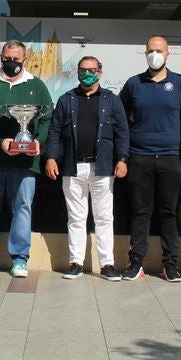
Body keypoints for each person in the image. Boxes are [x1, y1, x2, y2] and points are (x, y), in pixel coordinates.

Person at [0, 39, 53, 277]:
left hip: (25, 161)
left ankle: (19, 259)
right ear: (1, 58)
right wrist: (0, 142)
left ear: (24, 60)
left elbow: (47, 116)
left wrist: (38, 140)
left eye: (16, 59)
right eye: (7, 59)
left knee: (23, 207)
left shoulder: (36, 86)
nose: (11, 63)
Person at [44, 55, 129, 282]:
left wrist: (122, 159)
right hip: (73, 167)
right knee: (76, 217)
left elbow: (122, 132)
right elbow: (53, 131)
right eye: (83, 70)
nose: (87, 73)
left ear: (100, 72)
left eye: (92, 69)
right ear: (77, 72)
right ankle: (76, 263)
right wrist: (51, 157)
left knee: (104, 218)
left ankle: (107, 264)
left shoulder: (111, 100)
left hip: (102, 168)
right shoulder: (66, 99)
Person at [120, 35, 181, 282]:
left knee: (169, 213)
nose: (155, 54)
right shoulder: (133, 84)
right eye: (151, 50)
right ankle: (136, 263)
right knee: (140, 212)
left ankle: (170, 265)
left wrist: (176, 135)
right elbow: (122, 118)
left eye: (159, 50)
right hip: (140, 156)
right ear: (145, 54)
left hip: (172, 157)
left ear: (168, 54)